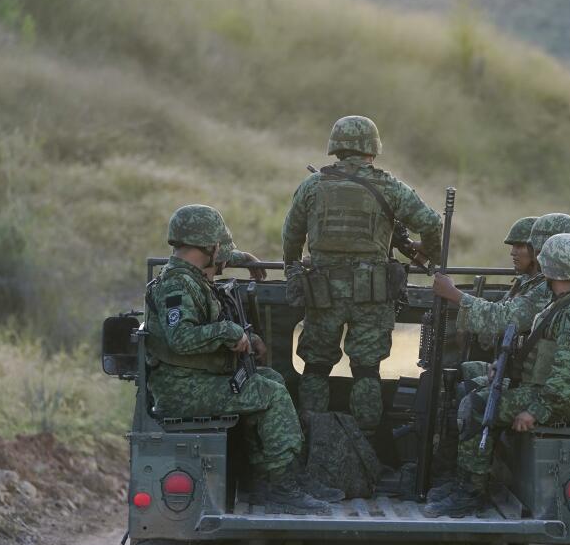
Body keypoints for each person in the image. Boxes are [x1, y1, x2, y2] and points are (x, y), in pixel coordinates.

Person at [144, 204, 338, 514]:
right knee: (271, 394)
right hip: (183, 390)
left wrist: (244, 259)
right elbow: (180, 339)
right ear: (209, 246)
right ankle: (282, 487)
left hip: (197, 381)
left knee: (269, 379)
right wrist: (228, 332)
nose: (221, 260)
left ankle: (266, 479)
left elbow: (214, 259)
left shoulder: (188, 274)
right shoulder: (176, 287)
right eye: (219, 249)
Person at [424, 233, 570, 517]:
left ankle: (470, 492)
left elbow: (567, 377)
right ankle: (461, 480)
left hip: (562, 402)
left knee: (476, 407)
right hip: (554, 393)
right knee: (470, 386)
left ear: (551, 269)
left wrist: (535, 411)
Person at [281, 115, 443, 432]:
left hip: (322, 292)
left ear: (335, 149)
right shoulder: (389, 186)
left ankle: (312, 436)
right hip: (372, 293)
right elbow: (433, 223)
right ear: (373, 149)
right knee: (367, 369)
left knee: (315, 366)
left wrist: (292, 269)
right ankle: (367, 442)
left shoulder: (313, 186)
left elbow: (291, 235)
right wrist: (429, 252)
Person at [433, 213, 570, 385]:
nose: (513, 252)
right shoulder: (528, 283)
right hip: (518, 367)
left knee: (465, 392)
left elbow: (505, 318)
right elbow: (497, 323)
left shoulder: (548, 288)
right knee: (450, 373)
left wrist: (454, 294)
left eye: (520, 246)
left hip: (529, 377)